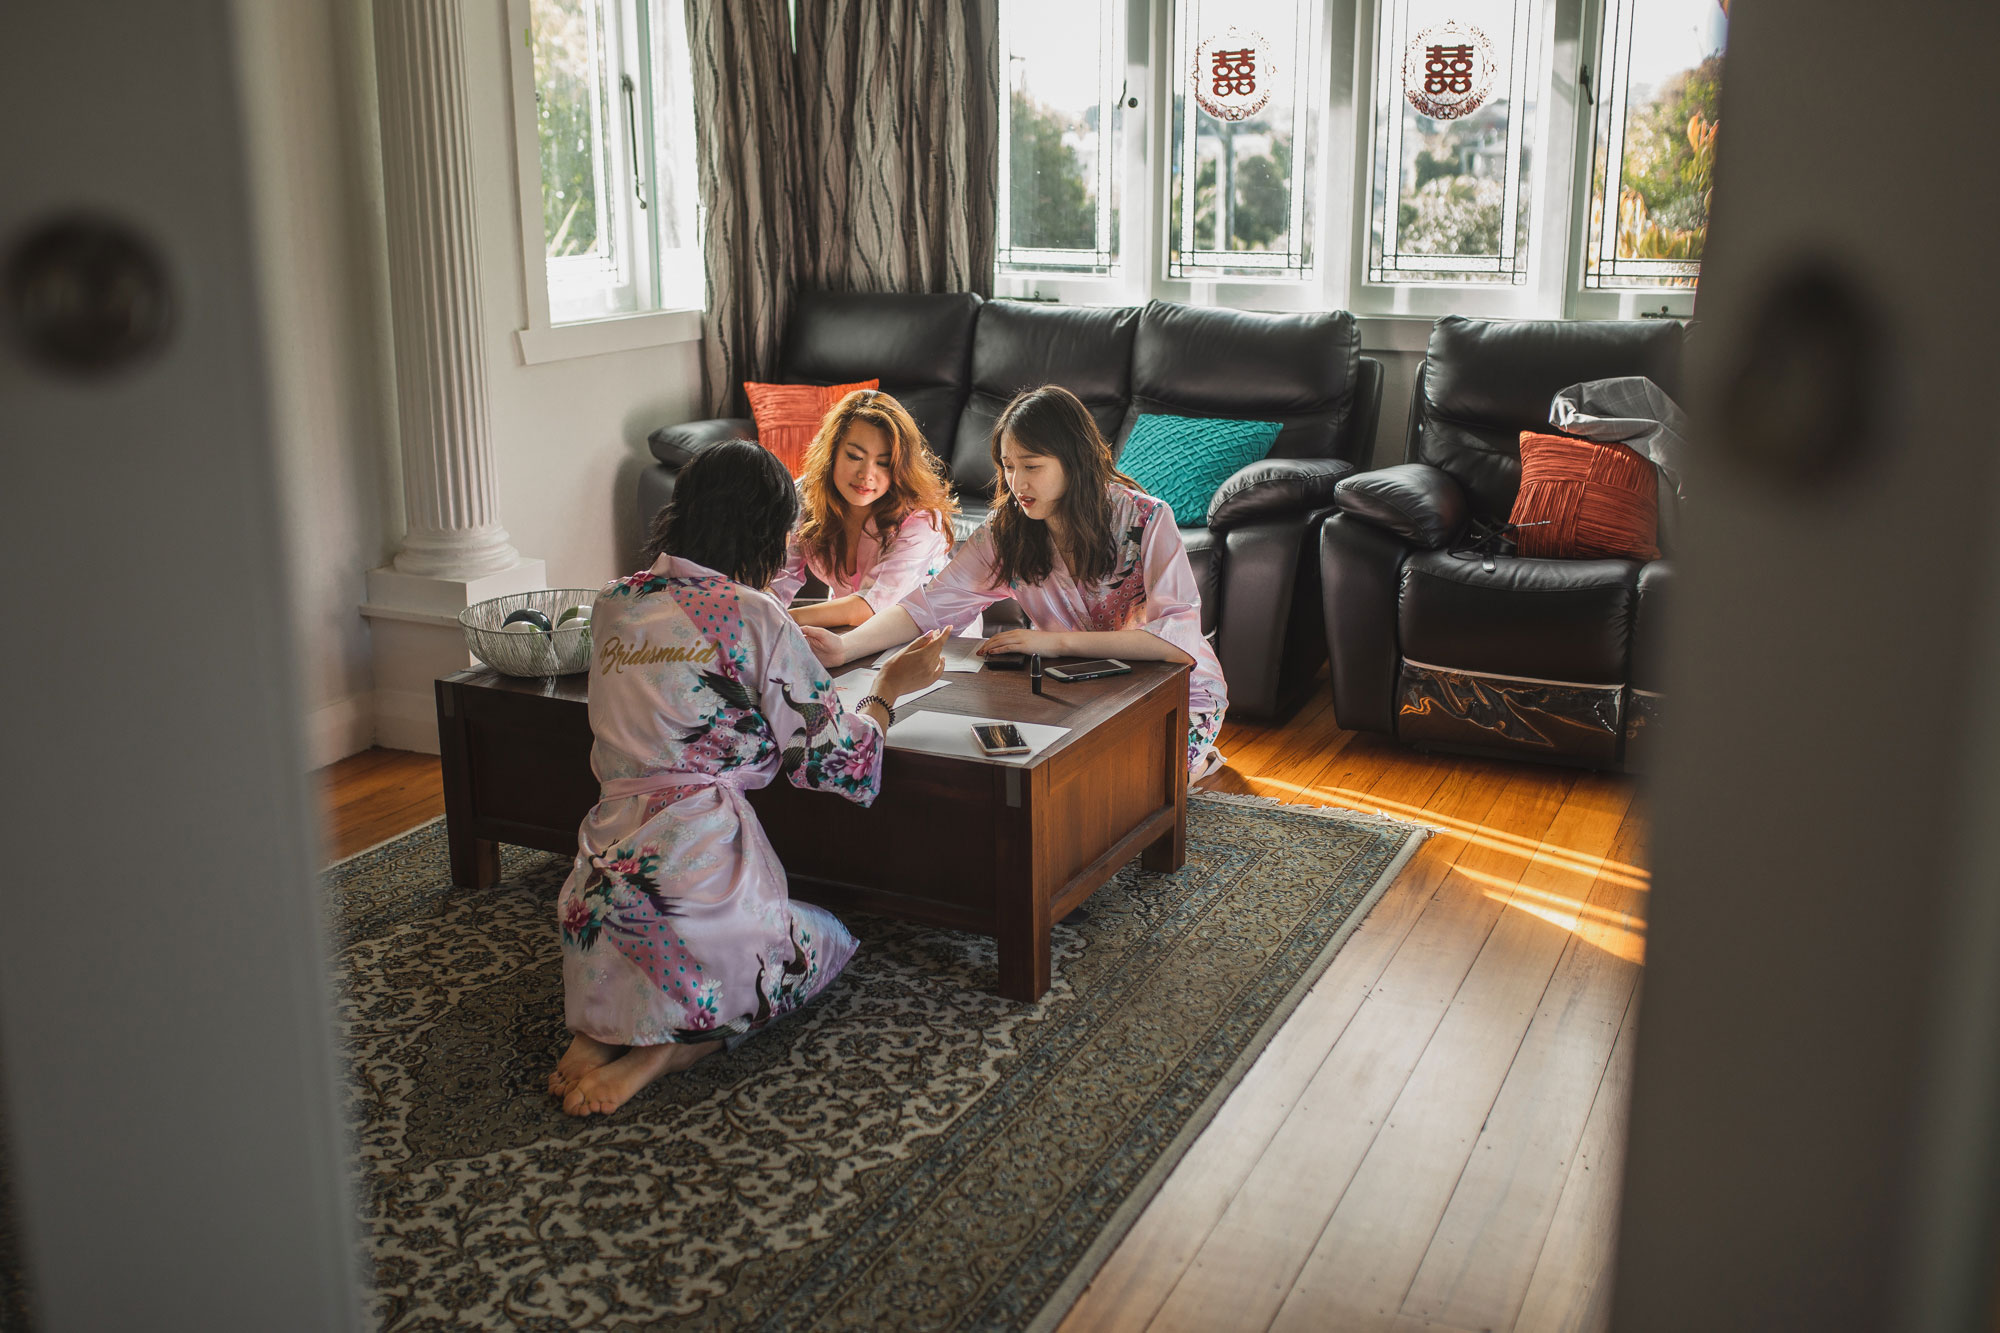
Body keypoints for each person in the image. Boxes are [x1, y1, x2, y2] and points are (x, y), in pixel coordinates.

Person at [549, 439, 947, 1116]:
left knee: (633, 949)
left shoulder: (615, 600)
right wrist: (888, 687)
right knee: (824, 943)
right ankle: (671, 1049)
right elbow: (833, 762)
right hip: (699, 882)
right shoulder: (752, 616)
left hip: (600, 880)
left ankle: (599, 1029)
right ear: (764, 530)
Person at [802, 384, 1228, 781]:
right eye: (1008, 467)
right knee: (1059, 784)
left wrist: (1051, 642)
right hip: (1076, 690)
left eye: (1032, 466)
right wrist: (845, 646)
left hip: (1176, 692)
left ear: (1074, 460)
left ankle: (1202, 760)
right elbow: (926, 606)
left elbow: (1176, 640)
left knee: (1134, 784)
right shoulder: (1008, 531)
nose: (1017, 483)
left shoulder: (1147, 519)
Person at [770, 388, 957, 628]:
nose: (866, 475)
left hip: (936, 638)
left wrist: (780, 620)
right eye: (854, 456)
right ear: (832, 452)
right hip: (851, 631)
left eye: (883, 463)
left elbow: (871, 605)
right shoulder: (805, 496)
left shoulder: (921, 519)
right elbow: (779, 578)